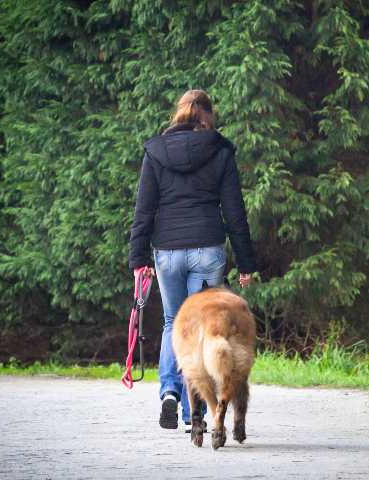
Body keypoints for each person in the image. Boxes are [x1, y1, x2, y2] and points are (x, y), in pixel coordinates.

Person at [128, 89, 257, 430]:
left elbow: (144, 210)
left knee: (174, 323)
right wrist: (246, 263)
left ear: (179, 113)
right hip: (207, 249)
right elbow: (234, 212)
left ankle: (170, 392)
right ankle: (193, 413)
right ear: (208, 115)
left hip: (167, 250)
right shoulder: (220, 150)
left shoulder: (155, 151)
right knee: (203, 328)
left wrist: (138, 258)